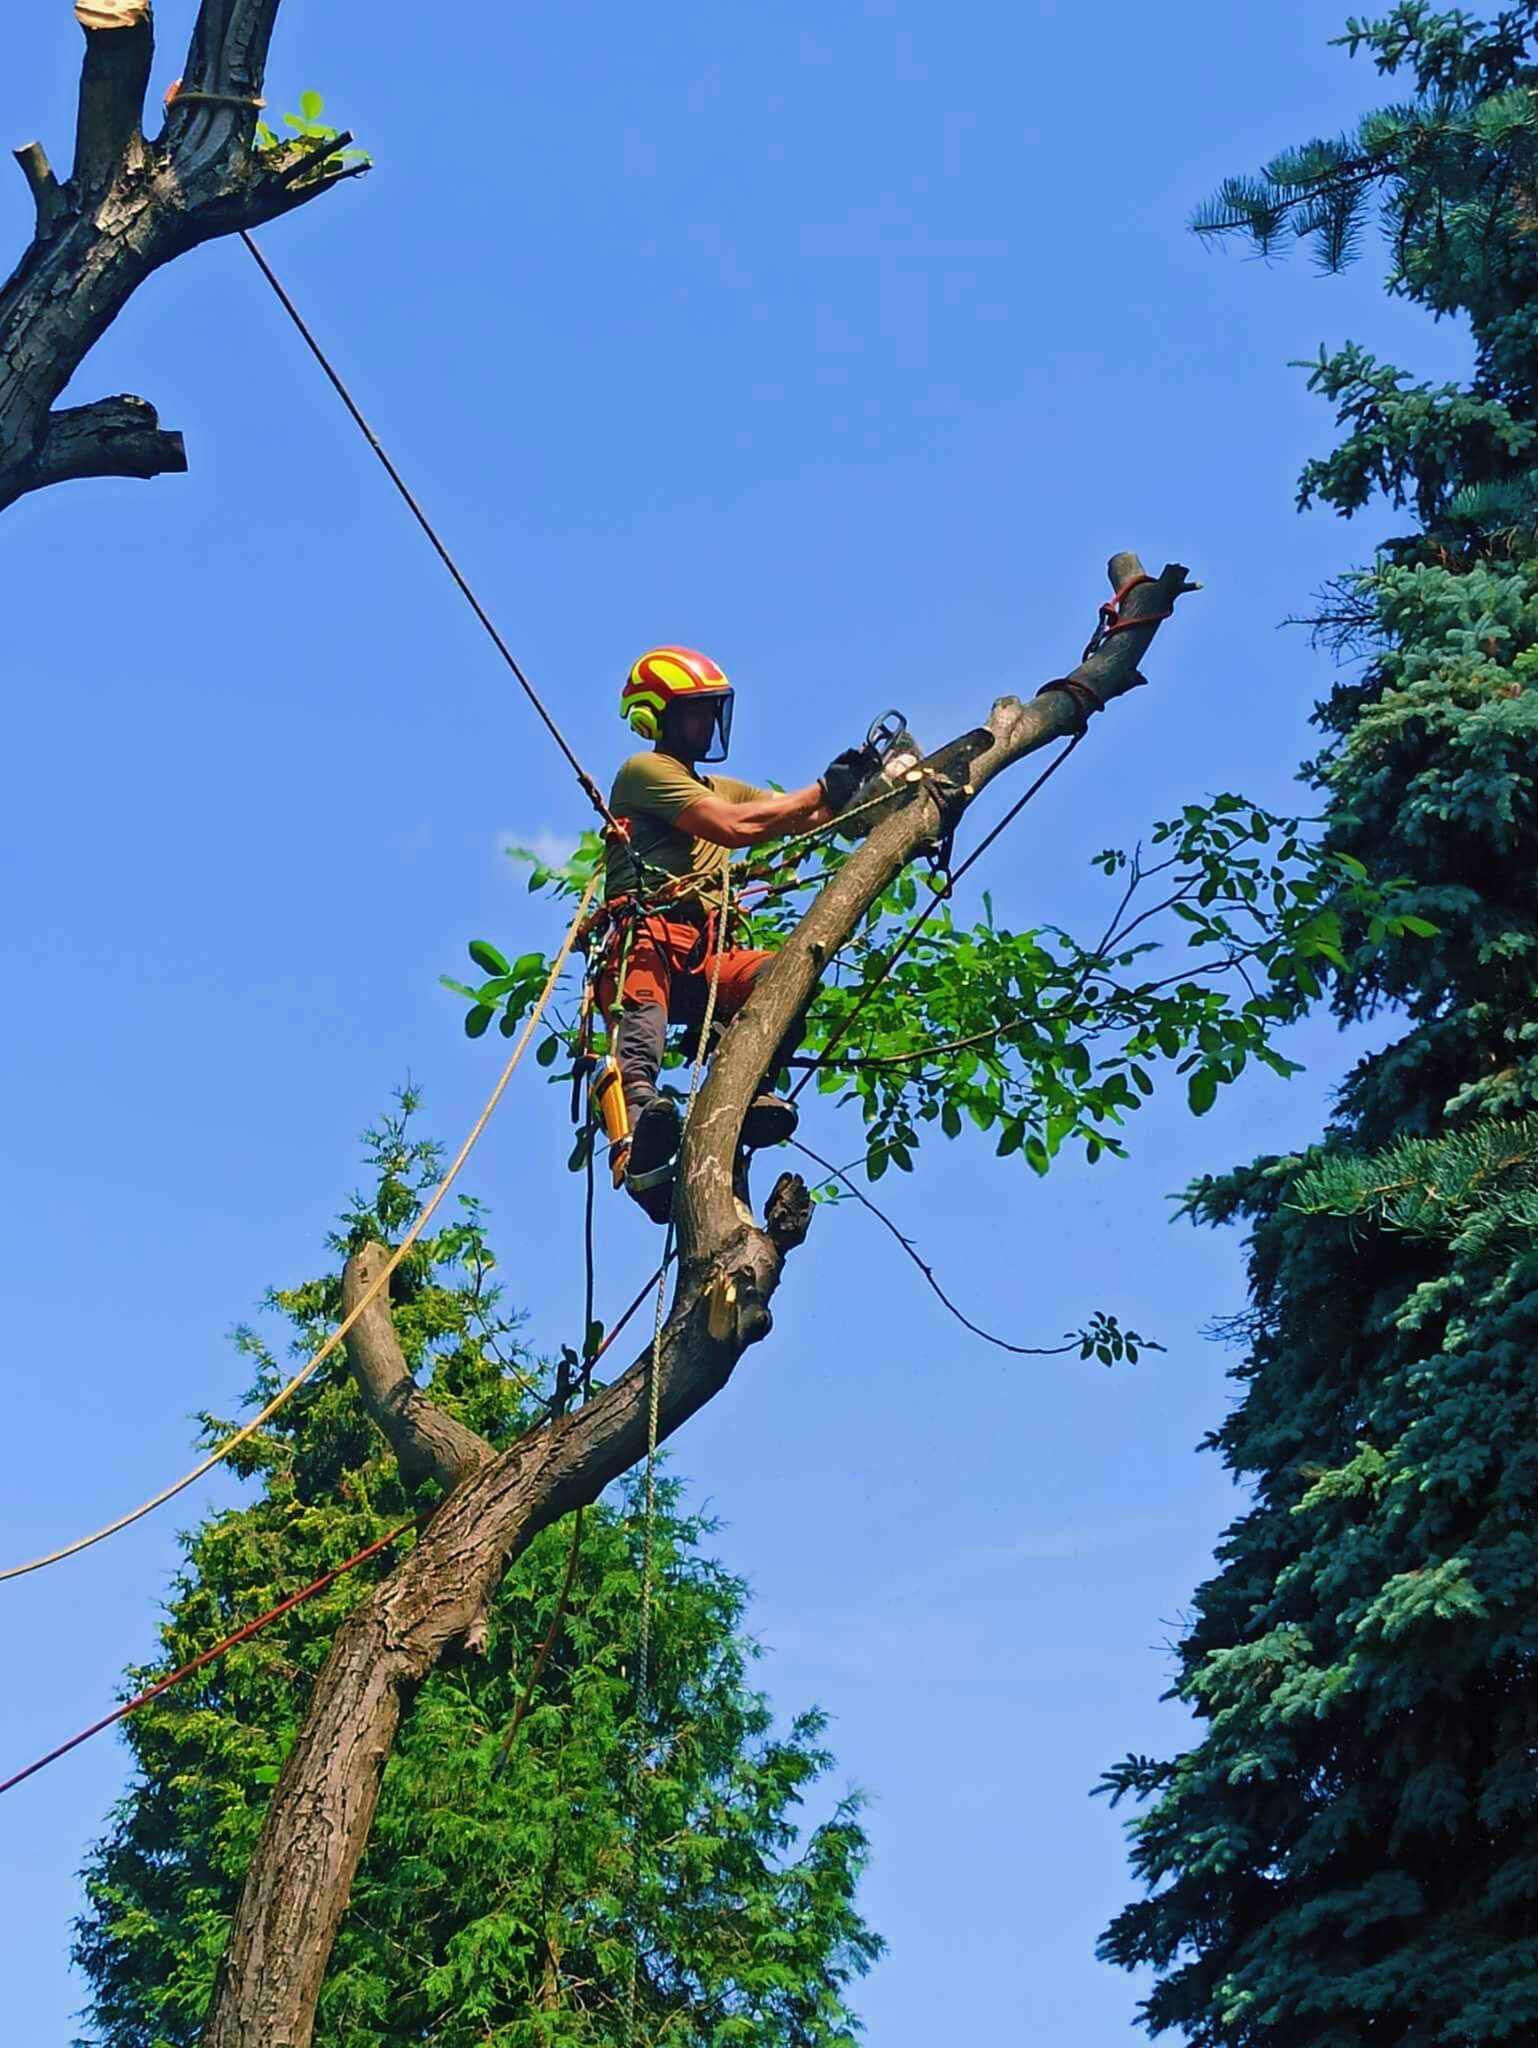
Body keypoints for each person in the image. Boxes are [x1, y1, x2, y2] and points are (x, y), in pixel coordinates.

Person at [596, 645, 876, 1220]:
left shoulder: (721, 785)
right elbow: (731, 828)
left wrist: (861, 787)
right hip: (645, 938)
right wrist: (821, 791)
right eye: (694, 711)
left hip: (705, 953)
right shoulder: (644, 772)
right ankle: (643, 1147)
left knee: (784, 974)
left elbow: (797, 813)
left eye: (710, 710)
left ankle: (745, 1083)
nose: (706, 723)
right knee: (642, 1032)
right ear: (657, 716)